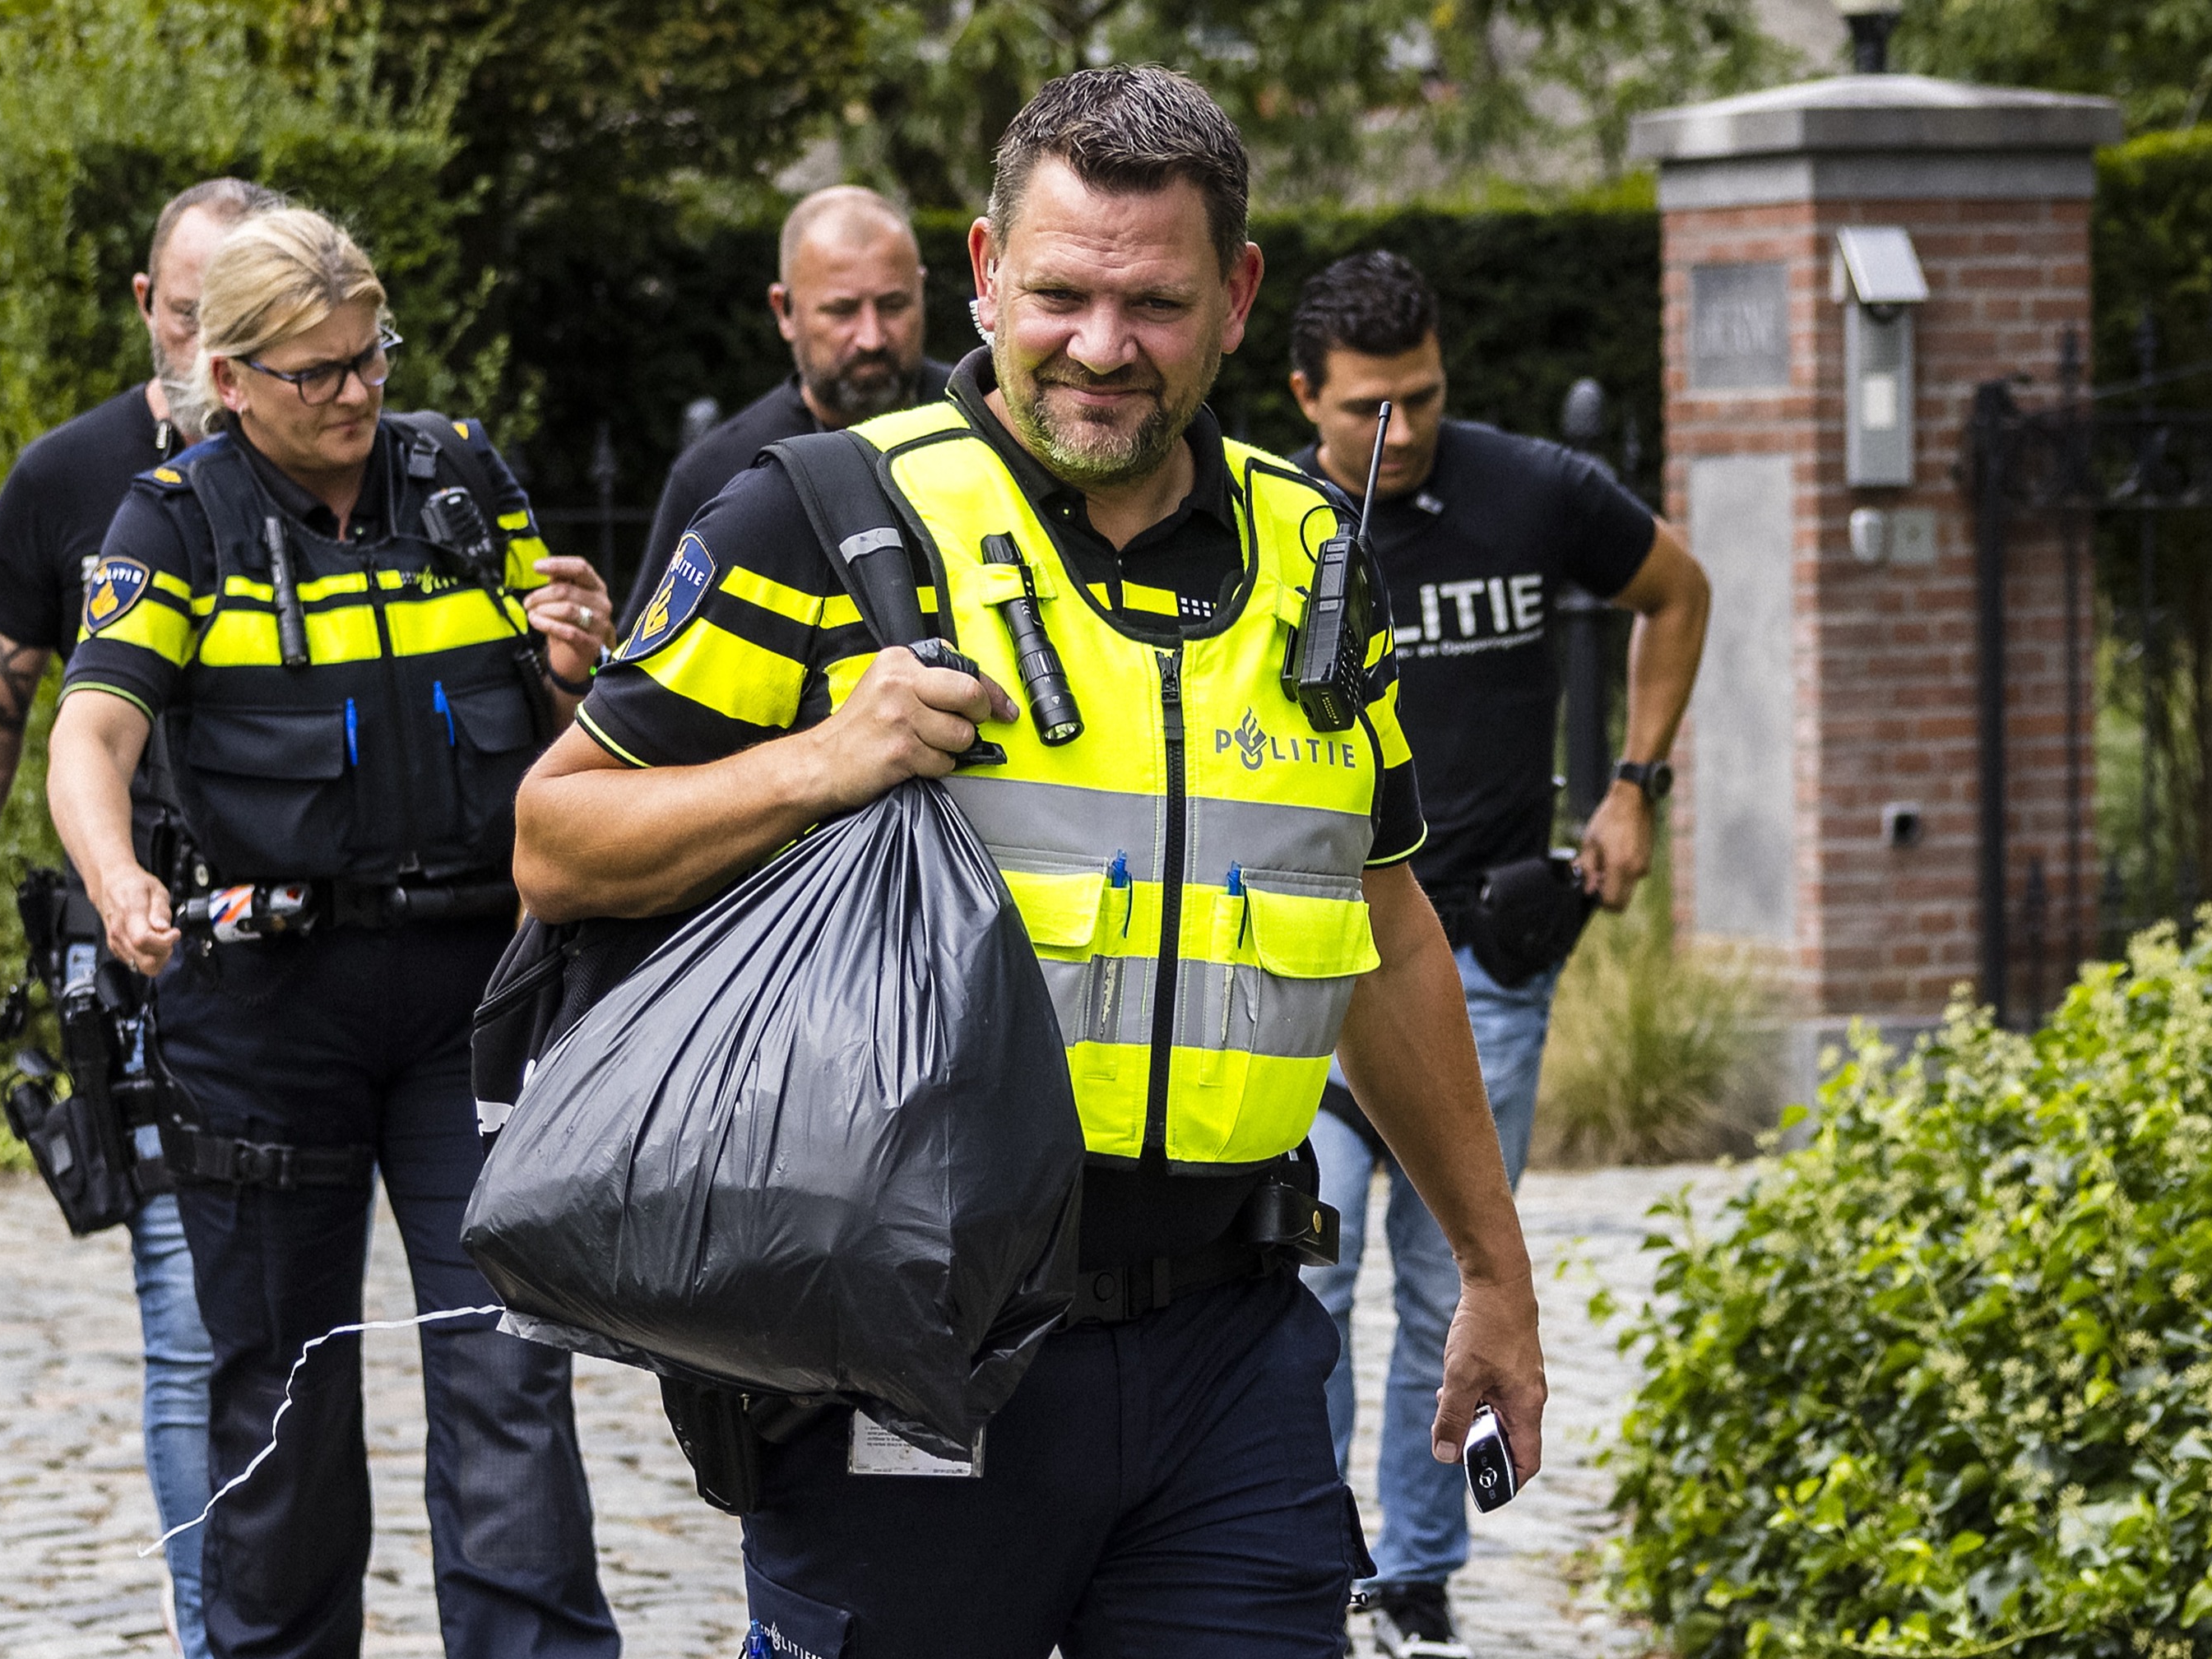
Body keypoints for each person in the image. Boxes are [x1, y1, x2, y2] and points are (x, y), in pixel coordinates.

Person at [514, 63, 1547, 1659]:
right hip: (915, 1351)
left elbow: (1383, 925)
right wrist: (818, 760)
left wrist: (1492, 1268)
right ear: (986, 275)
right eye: (1058, 292)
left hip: (1229, 1351)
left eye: (1153, 301)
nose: (1099, 346)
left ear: (1235, 300)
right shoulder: (822, 522)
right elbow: (556, 843)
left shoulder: (1310, 565)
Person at [44, 206, 623, 1659]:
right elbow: (91, 734)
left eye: (370, 358)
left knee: (508, 1368)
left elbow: (577, 730)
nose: (358, 393)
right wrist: (120, 884)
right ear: (228, 378)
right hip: (260, 1012)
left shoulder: (461, 479)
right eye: (316, 373)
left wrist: (580, 666)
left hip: (469, 1001)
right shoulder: (172, 519)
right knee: (283, 1396)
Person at [1285, 250, 1710, 1659]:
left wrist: (1632, 783)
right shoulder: (1273, 527)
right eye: (1366, 410)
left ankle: (1414, 1575)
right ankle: (1311, 1566)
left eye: (1421, 398)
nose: (1397, 433)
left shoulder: (1535, 489)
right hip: (1313, 954)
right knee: (1306, 1274)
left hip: (1484, 957)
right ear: (1307, 399)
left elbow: (1677, 589)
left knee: (1447, 1273)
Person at [0, 174, 282, 1659]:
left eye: (244, 319)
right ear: (147, 307)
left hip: (336, 965)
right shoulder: (70, 480)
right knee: (189, 1331)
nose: (212, 350)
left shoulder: (332, 460)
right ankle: (209, 1634)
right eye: (190, 317)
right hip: (152, 969)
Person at [622, 184, 953, 620]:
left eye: (894, 305)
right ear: (784, 311)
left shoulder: (986, 423)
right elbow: (648, 667)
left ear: (921, 290)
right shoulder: (716, 474)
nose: (871, 337)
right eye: (841, 311)